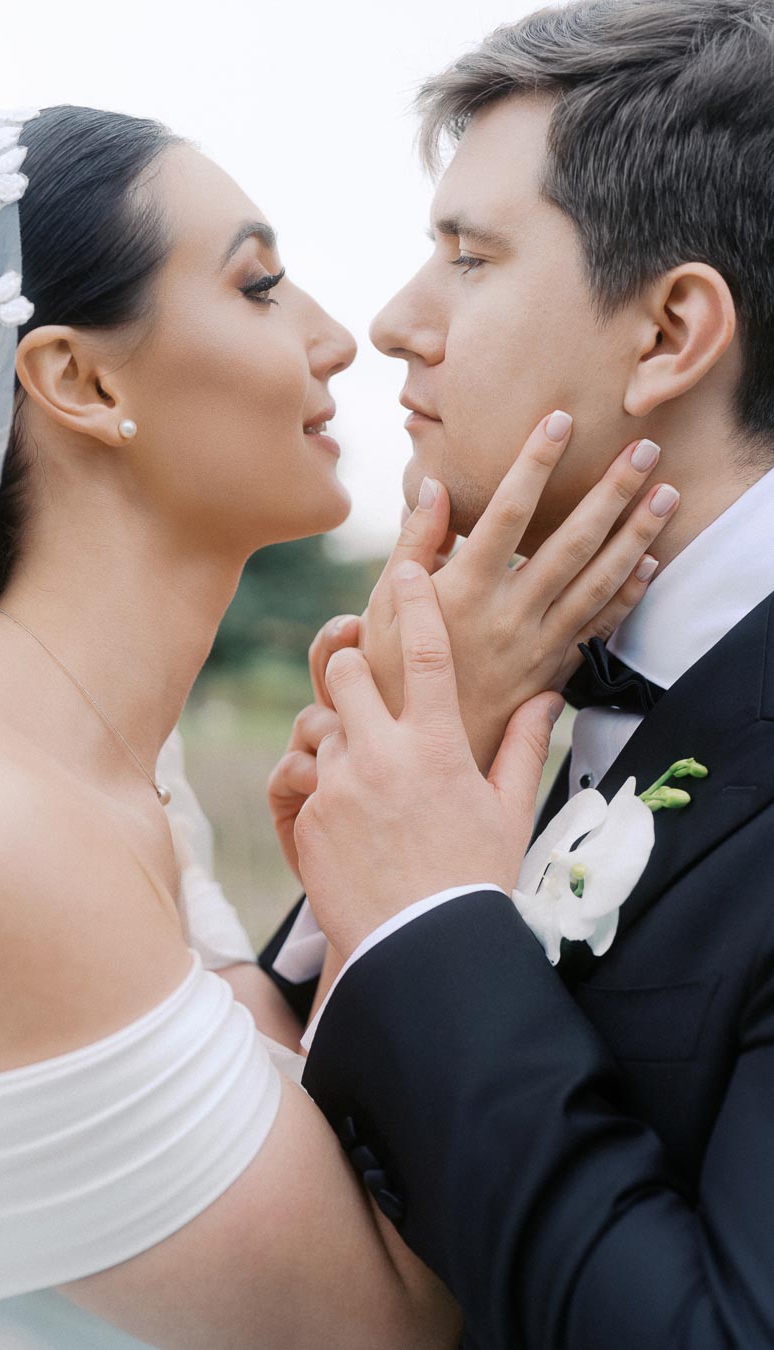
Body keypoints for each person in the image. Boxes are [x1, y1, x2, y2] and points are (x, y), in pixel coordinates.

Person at [0, 104, 672, 1349]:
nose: (341, 338)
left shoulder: (125, 778)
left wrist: (403, 751)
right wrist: (423, 846)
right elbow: (398, 1329)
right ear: (81, 382)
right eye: (257, 286)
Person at [262, 2, 774, 1347]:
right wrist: (412, 766)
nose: (388, 322)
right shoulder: (534, 672)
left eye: (468, 258)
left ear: (670, 334)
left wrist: (429, 906)